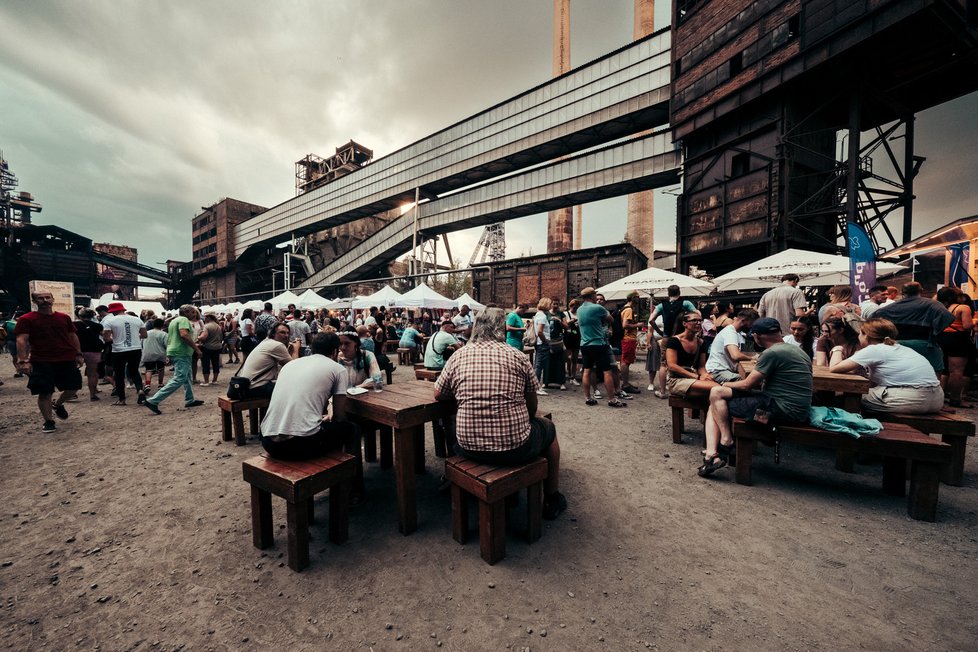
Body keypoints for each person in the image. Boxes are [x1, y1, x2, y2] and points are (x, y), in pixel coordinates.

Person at [433, 307, 566, 520]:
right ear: (502, 329)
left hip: (468, 446)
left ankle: (454, 480)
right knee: (549, 429)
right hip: (516, 447)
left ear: (476, 328)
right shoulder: (517, 356)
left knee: (452, 426)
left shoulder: (459, 355)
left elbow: (438, 394)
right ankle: (552, 497)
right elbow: (532, 406)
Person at [700, 318, 813, 477]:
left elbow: (747, 385)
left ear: (757, 336)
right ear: (779, 332)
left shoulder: (772, 352)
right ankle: (713, 452)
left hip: (779, 413)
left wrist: (725, 384)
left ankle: (723, 444)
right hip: (796, 409)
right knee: (717, 395)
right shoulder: (797, 350)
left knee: (716, 401)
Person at [259, 333, 362, 494]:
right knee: (352, 429)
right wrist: (329, 418)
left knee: (325, 429)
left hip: (268, 440)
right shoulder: (337, 369)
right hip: (300, 445)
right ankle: (353, 490)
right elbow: (340, 416)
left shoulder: (289, 365)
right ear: (335, 351)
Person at [830, 317, 944, 413]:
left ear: (866, 336)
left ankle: (853, 433)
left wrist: (837, 348)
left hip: (910, 400)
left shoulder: (874, 349)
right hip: (937, 399)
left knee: (849, 397)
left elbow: (835, 368)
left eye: (860, 333)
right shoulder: (902, 349)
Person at [14, 291, 85, 432]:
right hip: (41, 360)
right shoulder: (26, 319)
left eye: (47, 297)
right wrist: (23, 360)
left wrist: (78, 353)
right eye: (40, 298)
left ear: (52, 299)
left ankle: (58, 404)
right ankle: (49, 421)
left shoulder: (63, 318)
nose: (45, 300)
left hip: (66, 358)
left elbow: (73, 336)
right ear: (34, 301)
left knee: (73, 388)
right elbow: (21, 340)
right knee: (45, 391)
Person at [875, 282, 952, 373]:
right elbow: (948, 317)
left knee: (902, 373)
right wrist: (935, 331)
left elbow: (874, 318)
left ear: (902, 292)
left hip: (898, 345)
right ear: (921, 291)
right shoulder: (932, 304)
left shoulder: (891, 307)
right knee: (933, 374)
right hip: (925, 344)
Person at [142, 305, 204, 415]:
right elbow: (184, 334)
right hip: (182, 352)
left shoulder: (175, 320)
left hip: (177, 351)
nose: (194, 314)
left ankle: (190, 399)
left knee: (187, 376)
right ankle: (153, 400)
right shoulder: (184, 320)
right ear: (187, 312)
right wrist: (196, 348)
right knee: (179, 378)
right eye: (193, 312)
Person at [577, 287, 623, 408]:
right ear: (592, 295)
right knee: (606, 371)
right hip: (598, 344)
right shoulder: (598, 308)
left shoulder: (579, 310)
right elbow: (611, 319)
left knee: (587, 370)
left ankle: (588, 397)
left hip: (584, 344)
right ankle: (612, 399)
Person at [651, 285, 696, 398]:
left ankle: (662, 392)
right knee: (680, 363)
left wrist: (660, 332)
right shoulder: (686, 304)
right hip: (682, 337)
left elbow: (651, 320)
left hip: (667, 337)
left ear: (668, 293)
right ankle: (683, 390)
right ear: (679, 292)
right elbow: (697, 315)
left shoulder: (662, 305)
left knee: (663, 364)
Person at [235, 322, 301, 398]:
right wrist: (296, 349)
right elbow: (293, 367)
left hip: (246, 385)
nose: (286, 335)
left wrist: (290, 349)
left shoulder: (266, 341)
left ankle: (267, 410)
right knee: (295, 388)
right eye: (282, 332)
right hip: (256, 387)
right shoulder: (277, 345)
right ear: (273, 334)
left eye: (287, 333)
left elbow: (283, 363)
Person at [100, 302, 147, 406]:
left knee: (119, 374)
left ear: (113, 311)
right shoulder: (137, 319)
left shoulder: (110, 321)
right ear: (123, 309)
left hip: (118, 350)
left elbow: (106, 338)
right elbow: (144, 335)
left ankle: (122, 399)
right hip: (135, 349)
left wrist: (116, 340)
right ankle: (140, 390)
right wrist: (133, 338)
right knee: (134, 371)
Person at [665, 311, 718, 399]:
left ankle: (703, 412)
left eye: (700, 321)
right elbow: (671, 366)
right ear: (684, 324)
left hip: (692, 378)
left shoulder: (700, 342)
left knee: (715, 391)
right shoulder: (674, 341)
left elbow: (701, 366)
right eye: (694, 320)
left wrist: (705, 375)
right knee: (716, 389)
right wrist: (697, 377)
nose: (698, 323)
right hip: (676, 380)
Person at [936, 287, 974, 407]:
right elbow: (967, 326)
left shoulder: (938, 307)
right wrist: (976, 321)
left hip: (941, 338)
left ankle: (939, 399)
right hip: (958, 339)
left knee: (943, 371)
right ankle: (955, 399)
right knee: (956, 371)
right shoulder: (962, 308)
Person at [705, 308, 758, 383]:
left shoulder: (737, 333)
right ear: (743, 321)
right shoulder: (730, 332)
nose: (751, 327)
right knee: (750, 380)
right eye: (751, 324)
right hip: (718, 372)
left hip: (726, 370)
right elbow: (735, 355)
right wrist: (753, 359)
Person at [73, 309, 104, 401]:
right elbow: (103, 336)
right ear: (92, 316)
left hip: (77, 351)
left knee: (74, 372)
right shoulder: (98, 325)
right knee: (92, 374)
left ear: (79, 316)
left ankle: (72, 393)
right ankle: (92, 395)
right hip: (93, 351)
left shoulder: (74, 324)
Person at [619, 292, 642, 394]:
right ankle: (625, 385)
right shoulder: (628, 309)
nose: (639, 299)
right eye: (637, 297)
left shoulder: (625, 308)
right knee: (625, 362)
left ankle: (626, 383)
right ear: (633, 298)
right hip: (628, 338)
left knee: (626, 361)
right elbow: (625, 325)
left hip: (627, 338)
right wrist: (638, 324)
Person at [532, 297, 552, 395]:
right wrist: (546, 341)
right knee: (539, 366)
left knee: (538, 365)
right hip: (542, 344)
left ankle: (536, 386)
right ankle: (536, 387)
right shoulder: (542, 316)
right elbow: (540, 331)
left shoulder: (537, 315)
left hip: (539, 343)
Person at [197, 313, 224, 386]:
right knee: (216, 364)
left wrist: (198, 337)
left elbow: (203, 337)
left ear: (208, 318)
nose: (204, 319)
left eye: (205, 317)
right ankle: (214, 380)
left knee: (206, 364)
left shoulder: (207, 326)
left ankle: (206, 381)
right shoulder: (218, 326)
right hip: (217, 347)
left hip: (207, 347)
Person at [141, 318, 168, 391]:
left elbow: (142, 343)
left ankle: (147, 384)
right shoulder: (164, 334)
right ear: (162, 325)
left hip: (148, 353)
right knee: (161, 369)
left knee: (149, 370)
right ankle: (160, 384)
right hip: (160, 354)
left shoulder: (147, 332)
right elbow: (166, 345)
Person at [563, 298, 581, 385]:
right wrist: (571, 321)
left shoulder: (579, 314)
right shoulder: (566, 314)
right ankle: (569, 374)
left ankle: (573, 376)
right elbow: (564, 325)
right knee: (569, 358)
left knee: (575, 358)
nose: (575, 308)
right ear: (570, 306)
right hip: (568, 337)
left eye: (576, 307)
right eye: (573, 306)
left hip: (577, 337)